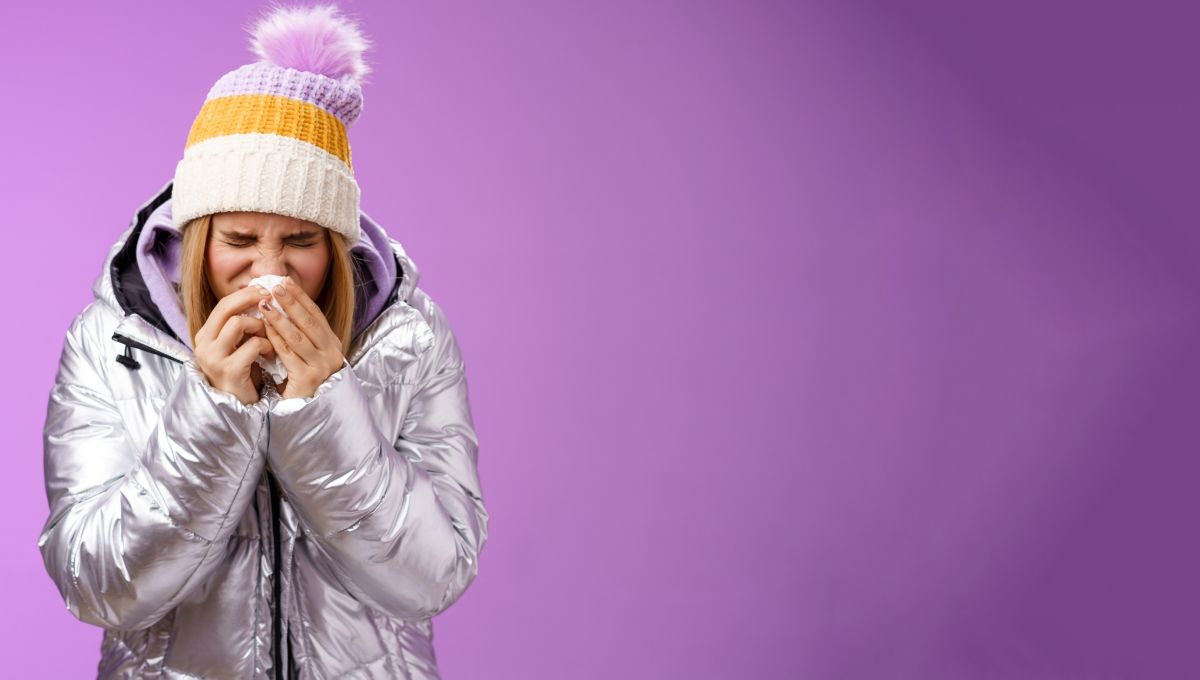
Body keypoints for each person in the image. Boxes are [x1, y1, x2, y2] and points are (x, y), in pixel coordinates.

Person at [36, 5, 488, 678]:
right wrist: (214, 410)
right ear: (196, 241)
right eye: (239, 241)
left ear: (337, 247)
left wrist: (326, 409)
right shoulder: (112, 343)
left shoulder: (408, 341)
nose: (269, 271)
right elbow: (100, 587)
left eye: (301, 241)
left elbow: (435, 577)